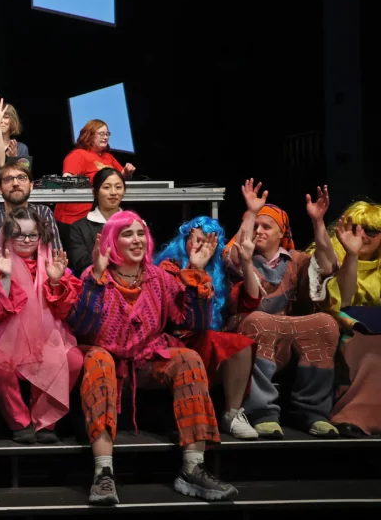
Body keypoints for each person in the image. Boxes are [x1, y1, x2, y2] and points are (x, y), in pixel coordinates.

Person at [68, 210, 236, 506]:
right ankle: (103, 472)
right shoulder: (95, 275)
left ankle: (193, 468)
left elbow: (193, 324)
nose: (136, 239)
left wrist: (196, 272)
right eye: (127, 234)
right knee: (99, 359)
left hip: (146, 359)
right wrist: (96, 276)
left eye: (140, 233)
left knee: (189, 359)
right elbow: (82, 328)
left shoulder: (160, 278)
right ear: (111, 241)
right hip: (106, 360)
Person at [224, 179, 340, 438]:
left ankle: (311, 413)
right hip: (250, 328)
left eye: (267, 226)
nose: (259, 231)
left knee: (325, 323)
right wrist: (252, 212)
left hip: (286, 330)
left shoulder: (296, 260)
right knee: (259, 321)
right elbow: (232, 256)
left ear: (281, 232)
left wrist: (318, 222)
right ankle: (262, 413)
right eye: (255, 227)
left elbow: (327, 265)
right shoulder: (242, 258)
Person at [0, 209, 82, 444]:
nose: (26, 241)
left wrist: (55, 281)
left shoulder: (55, 265)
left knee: (74, 359)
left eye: (32, 235)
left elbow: (64, 311)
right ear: (7, 237)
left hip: (48, 338)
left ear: (41, 236)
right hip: (6, 339)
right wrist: (5, 277)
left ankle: (45, 421)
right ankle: (20, 422)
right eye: (18, 235)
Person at [155, 217, 259, 440]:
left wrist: (247, 263)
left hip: (205, 336)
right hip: (176, 340)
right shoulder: (169, 267)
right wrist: (195, 270)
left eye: (208, 243)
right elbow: (181, 319)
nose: (201, 247)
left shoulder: (219, 269)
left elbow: (251, 302)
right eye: (197, 241)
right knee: (222, 341)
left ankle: (232, 414)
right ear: (186, 239)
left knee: (241, 345)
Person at [324, 202, 381, 436]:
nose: (363, 235)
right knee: (369, 349)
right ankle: (355, 415)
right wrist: (352, 254)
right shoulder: (331, 259)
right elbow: (342, 301)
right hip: (342, 327)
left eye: (371, 230)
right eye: (356, 228)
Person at [0, 161, 62, 262]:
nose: (16, 183)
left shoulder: (43, 213)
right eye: (8, 179)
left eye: (22, 177)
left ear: (31, 185)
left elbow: (56, 257)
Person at [54, 119, 137, 228]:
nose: (106, 137)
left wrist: (127, 172)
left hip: (97, 216)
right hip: (74, 218)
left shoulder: (108, 157)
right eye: (101, 134)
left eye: (107, 134)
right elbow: (67, 181)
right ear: (90, 135)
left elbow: (121, 177)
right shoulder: (78, 155)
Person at [66, 167, 125, 275]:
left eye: (118, 187)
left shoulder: (135, 224)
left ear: (124, 191)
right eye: (107, 187)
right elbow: (80, 263)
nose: (113, 192)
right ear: (95, 192)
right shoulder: (79, 227)